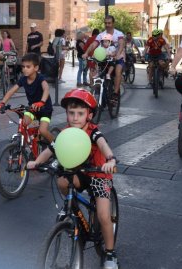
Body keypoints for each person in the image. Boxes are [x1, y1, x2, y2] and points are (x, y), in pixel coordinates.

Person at [26, 88, 118, 269]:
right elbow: (50, 149)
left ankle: (109, 253)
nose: (75, 117)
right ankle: (72, 208)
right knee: (62, 181)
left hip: (99, 173)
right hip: (80, 173)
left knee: (103, 215)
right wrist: (36, 162)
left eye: (80, 114)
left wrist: (110, 159)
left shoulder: (93, 131)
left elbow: (103, 144)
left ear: (89, 115)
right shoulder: (65, 133)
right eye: (71, 113)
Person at [0, 53, 54, 143]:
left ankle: (55, 146)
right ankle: (28, 144)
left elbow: (46, 89)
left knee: (43, 130)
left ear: (36, 68)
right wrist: (2, 103)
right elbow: (11, 91)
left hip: (45, 109)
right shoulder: (23, 79)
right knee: (24, 123)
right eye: (23, 67)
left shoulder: (40, 78)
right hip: (32, 108)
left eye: (28, 67)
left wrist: (42, 102)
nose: (24, 69)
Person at [82, 16, 125, 103]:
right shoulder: (101, 35)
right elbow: (94, 44)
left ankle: (115, 94)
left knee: (117, 71)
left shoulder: (119, 34)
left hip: (118, 57)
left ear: (113, 23)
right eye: (106, 23)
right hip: (105, 58)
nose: (107, 25)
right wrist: (86, 53)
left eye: (109, 23)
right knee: (99, 73)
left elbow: (121, 44)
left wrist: (118, 54)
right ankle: (101, 92)